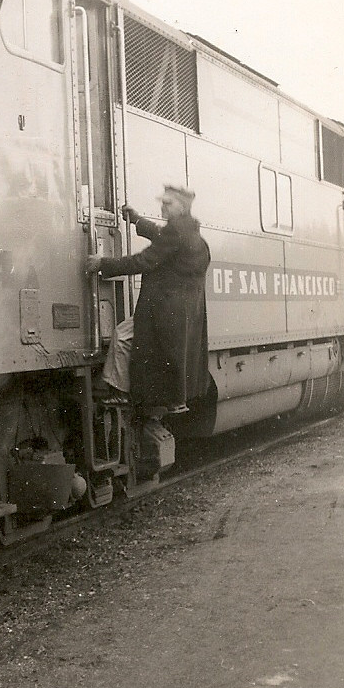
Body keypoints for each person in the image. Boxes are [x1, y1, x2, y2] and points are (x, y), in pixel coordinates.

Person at [86, 185, 210, 478]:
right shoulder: (192, 235)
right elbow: (163, 239)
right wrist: (138, 221)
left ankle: (116, 390)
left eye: (167, 204)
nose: (164, 207)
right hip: (181, 318)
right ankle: (170, 400)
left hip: (162, 315)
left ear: (180, 207)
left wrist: (102, 263)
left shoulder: (175, 233)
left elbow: (144, 260)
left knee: (121, 335)